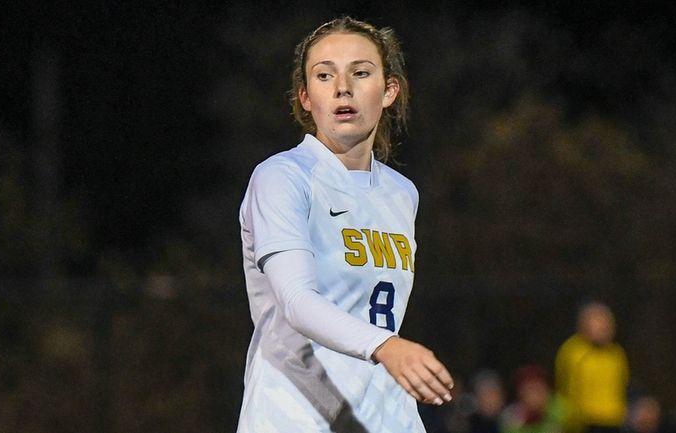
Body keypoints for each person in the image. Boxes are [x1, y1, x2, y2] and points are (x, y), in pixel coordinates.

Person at [236, 16, 454, 433]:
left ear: (389, 90)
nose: (342, 87)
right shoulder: (282, 177)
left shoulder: (401, 193)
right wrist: (386, 346)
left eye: (360, 72)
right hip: (293, 418)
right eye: (324, 75)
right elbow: (298, 301)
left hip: (387, 419)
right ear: (305, 97)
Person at [554, 301, 629, 433]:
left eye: (607, 322)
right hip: (584, 422)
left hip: (612, 420)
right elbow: (565, 385)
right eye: (597, 322)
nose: (603, 327)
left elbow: (622, 385)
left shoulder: (617, 353)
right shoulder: (574, 351)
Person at [500, 365, 566, 433]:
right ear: (520, 394)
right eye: (530, 390)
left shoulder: (559, 409)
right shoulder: (511, 417)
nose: (535, 396)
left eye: (539, 390)